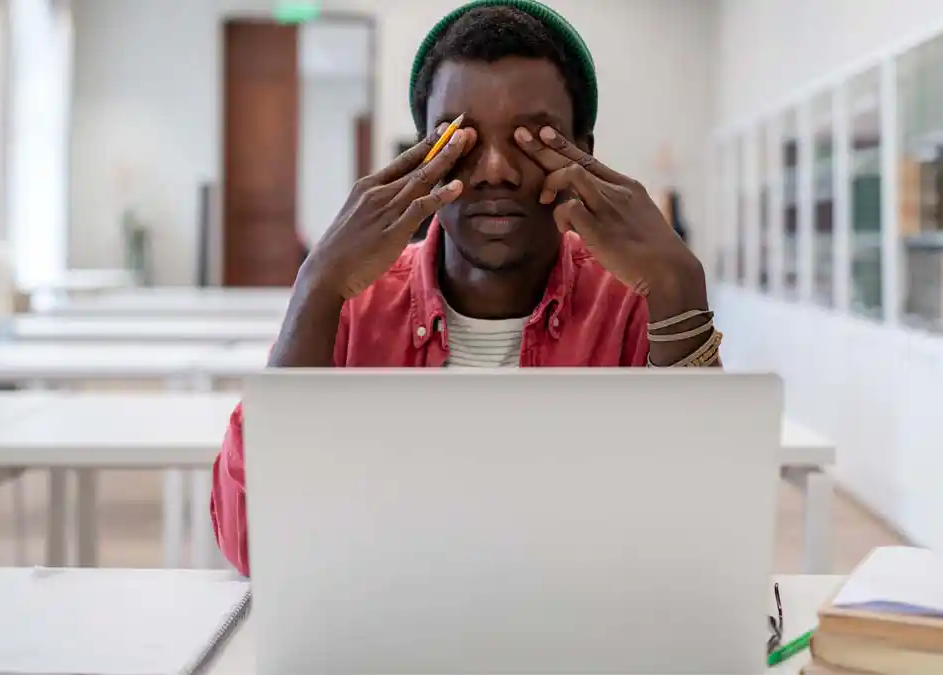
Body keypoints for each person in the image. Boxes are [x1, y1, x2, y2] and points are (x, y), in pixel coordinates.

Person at [211, 0, 721, 575]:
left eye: (536, 136)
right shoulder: (352, 304)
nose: (495, 168)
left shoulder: (636, 305)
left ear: (585, 152)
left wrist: (682, 294)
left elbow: (697, 544)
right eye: (461, 138)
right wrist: (316, 285)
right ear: (419, 153)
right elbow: (252, 541)